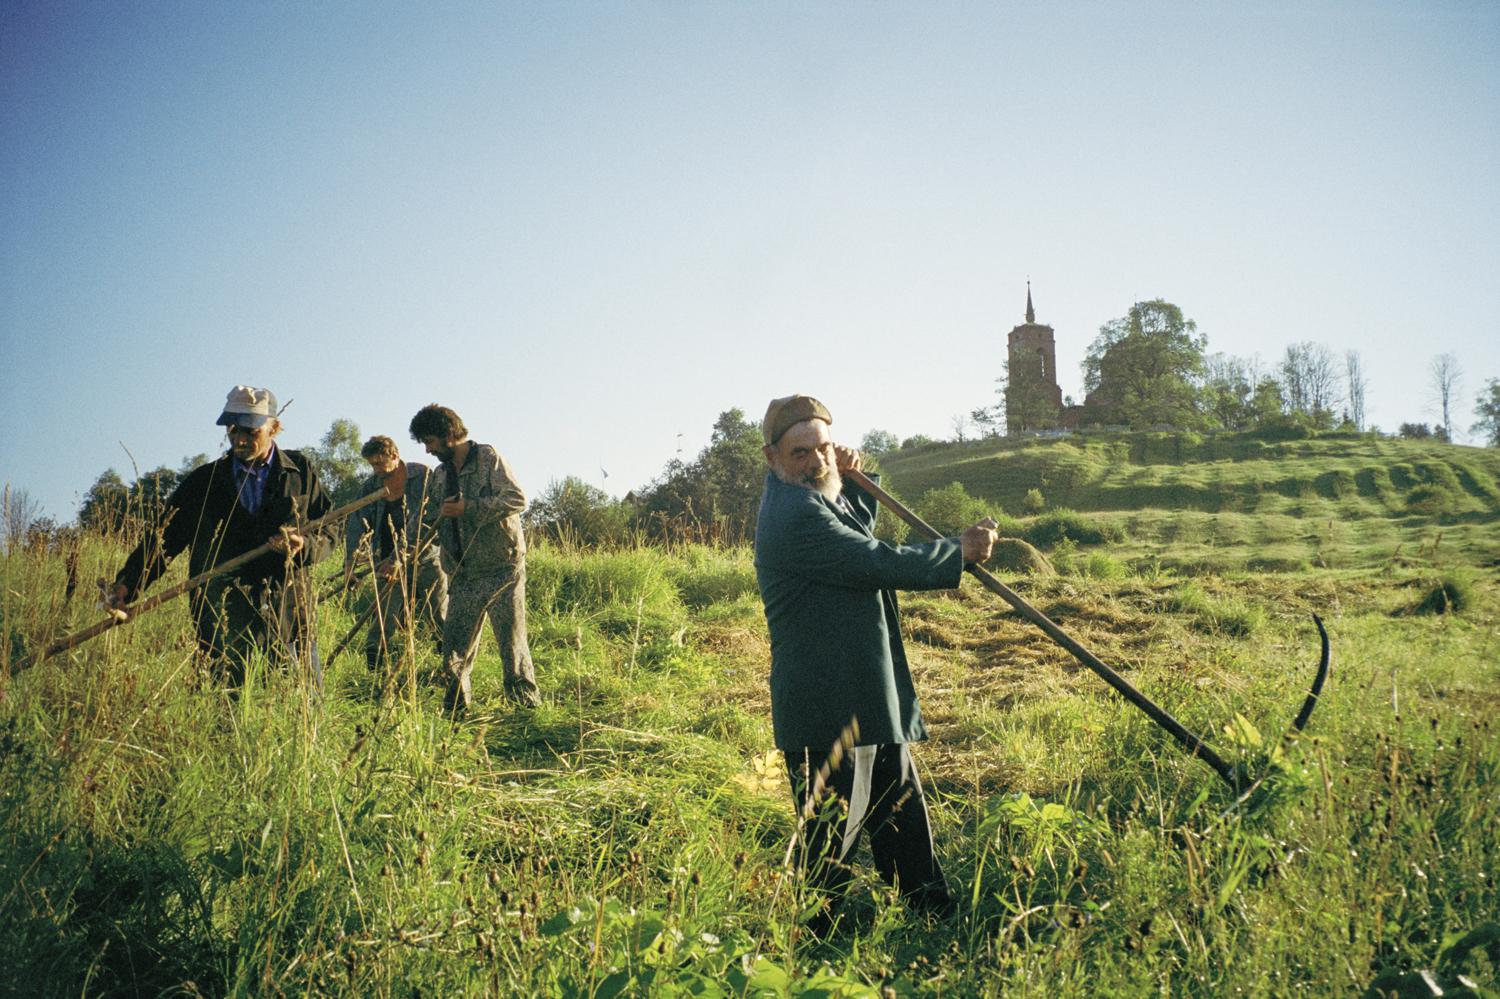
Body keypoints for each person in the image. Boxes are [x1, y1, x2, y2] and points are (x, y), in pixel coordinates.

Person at [753, 394, 997, 936]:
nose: (817, 461)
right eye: (801, 453)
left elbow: (853, 534)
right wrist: (959, 552)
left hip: (862, 693)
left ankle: (930, 914)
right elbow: (870, 560)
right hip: (836, 707)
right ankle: (811, 943)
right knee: (832, 841)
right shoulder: (794, 515)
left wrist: (857, 481)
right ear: (772, 457)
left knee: (901, 810)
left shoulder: (811, 496)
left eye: (824, 449)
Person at [107, 385, 337, 687]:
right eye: (232, 430)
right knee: (225, 712)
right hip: (222, 618)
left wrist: (305, 545)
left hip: (288, 614)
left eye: (250, 431)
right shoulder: (203, 482)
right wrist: (128, 584)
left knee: (300, 709)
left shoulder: (300, 472)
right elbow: (163, 541)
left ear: (275, 427)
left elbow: (331, 528)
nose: (240, 439)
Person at [408, 404, 540, 714]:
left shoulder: (488, 458)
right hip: (462, 575)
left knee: (512, 647)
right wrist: (405, 547)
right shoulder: (440, 475)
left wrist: (470, 507)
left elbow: (517, 498)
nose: (427, 450)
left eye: (430, 441)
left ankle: (525, 715)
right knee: (454, 649)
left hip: (501, 569)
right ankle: (455, 714)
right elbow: (426, 519)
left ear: (449, 434)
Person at [344, 435, 449, 667]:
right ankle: (373, 672)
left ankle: (449, 670)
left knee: (440, 616)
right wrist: (350, 564)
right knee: (383, 621)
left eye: (380, 463)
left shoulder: (422, 475)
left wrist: (400, 558)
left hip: (427, 558)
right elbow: (355, 524)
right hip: (386, 564)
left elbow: (426, 520)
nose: (377, 469)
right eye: (372, 464)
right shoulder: (371, 486)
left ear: (395, 455)